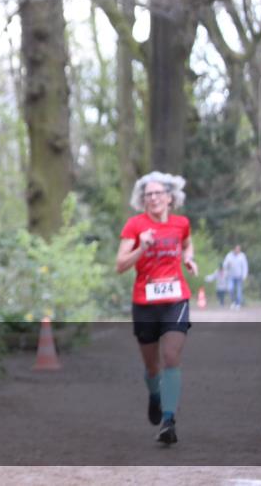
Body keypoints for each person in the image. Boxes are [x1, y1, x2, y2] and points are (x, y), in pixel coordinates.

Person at [115, 171, 198, 445]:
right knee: (152, 366)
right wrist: (142, 248)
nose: (153, 198)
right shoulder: (135, 226)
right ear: (143, 199)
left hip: (176, 299)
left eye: (158, 193)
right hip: (145, 303)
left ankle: (168, 420)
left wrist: (188, 259)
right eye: (148, 194)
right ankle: (154, 395)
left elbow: (187, 243)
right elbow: (120, 265)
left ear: (170, 198)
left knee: (172, 357)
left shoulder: (181, 223)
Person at [222, 244, 249, 309]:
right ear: (234, 249)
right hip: (231, 275)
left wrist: (244, 275)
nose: (237, 250)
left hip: (239, 276)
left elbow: (245, 266)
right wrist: (227, 264)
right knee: (230, 289)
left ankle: (238, 303)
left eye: (239, 249)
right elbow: (224, 265)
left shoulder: (242, 256)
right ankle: (233, 302)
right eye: (236, 249)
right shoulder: (229, 255)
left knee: (239, 291)